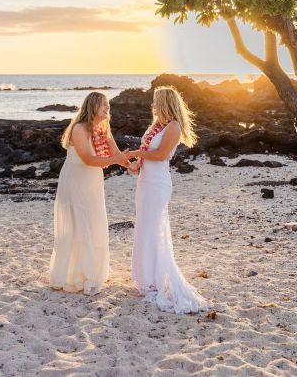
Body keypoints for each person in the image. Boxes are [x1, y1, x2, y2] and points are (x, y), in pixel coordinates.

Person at [126, 86, 209, 313]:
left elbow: (161, 155)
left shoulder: (173, 127)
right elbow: (147, 151)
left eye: (155, 101)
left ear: (164, 103)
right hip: (145, 181)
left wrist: (136, 154)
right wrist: (136, 165)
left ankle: (156, 278)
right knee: (144, 227)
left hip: (158, 183)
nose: (152, 105)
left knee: (154, 228)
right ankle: (147, 277)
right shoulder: (157, 126)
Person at [49, 92, 130, 295]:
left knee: (93, 221)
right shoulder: (79, 128)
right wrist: (119, 159)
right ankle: (75, 274)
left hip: (92, 180)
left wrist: (131, 164)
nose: (107, 109)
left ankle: (93, 269)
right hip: (76, 178)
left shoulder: (103, 127)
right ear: (93, 106)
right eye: (104, 105)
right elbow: (89, 160)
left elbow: (115, 153)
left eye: (108, 106)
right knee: (78, 223)